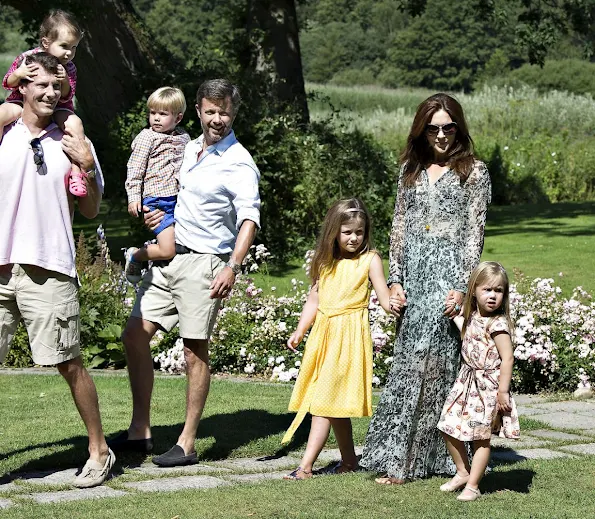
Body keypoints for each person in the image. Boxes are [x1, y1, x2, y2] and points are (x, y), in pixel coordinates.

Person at [112, 79, 261, 467]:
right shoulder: (188, 146)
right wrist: (157, 213)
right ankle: (140, 430)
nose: (217, 119)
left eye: (224, 112)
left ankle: (188, 442)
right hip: (170, 257)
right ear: (197, 110)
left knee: (194, 352)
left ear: (234, 112)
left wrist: (232, 265)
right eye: (210, 111)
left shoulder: (239, 161)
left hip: (207, 262)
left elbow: (249, 220)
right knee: (134, 335)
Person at [360, 93, 492, 483]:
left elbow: (475, 234)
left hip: (448, 276)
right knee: (410, 365)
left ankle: (405, 464)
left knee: (432, 367)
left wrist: (463, 289)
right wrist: (396, 280)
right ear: (422, 129)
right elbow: (398, 227)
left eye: (448, 127)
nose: (441, 135)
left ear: (459, 128)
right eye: (433, 128)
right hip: (413, 276)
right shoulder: (410, 170)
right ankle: (422, 458)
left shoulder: (475, 172)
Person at [0, 52, 114, 488]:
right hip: (0, 266)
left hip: (49, 267)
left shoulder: (71, 139)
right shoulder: (5, 131)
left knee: (69, 363)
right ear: (23, 87)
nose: (50, 93)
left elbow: (89, 209)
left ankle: (99, 450)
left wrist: (86, 163)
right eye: (41, 84)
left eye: (58, 87)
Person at [281, 198, 400, 480]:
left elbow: (383, 295)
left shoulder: (369, 261)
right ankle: (349, 461)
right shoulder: (325, 263)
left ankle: (305, 467)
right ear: (334, 231)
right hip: (323, 337)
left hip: (348, 338)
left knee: (323, 401)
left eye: (359, 232)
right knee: (333, 404)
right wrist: (300, 330)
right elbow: (314, 300)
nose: (354, 238)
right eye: (347, 232)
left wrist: (392, 302)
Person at [438, 261, 520, 501]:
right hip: (466, 382)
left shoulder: (498, 324)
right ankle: (463, 472)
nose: (493, 296)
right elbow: (468, 330)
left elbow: (507, 358)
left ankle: (473, 485)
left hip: (488, 387)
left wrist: (502, 392)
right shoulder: (473, 315)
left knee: (481, 437)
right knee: (447, 426)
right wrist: (454, 312)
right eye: (487, 289)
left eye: (498, 290)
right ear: (474, 290)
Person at [0, 9, 89, 197]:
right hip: (20, 101)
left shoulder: (68, 67)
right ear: (46, 42)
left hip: (59, 107)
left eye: (74, 48)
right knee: (1, 114)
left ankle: (76, 171)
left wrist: (63, 80)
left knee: (75, 124)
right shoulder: (27, 59)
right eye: (64, 46)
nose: (69, 53)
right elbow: (8, 83)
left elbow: (65, 96)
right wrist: (19, 74)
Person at [124, 86, 190, 283]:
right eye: (153, 113)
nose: (156, 118)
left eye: (163, 114)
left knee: (181, 246)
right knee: (167, 249)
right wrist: (134, 198)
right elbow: (135, 169)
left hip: (180, 199)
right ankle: (135, 255)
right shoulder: (147, 137)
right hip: (157, 200)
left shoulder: (184, 137)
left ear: (178, 118)